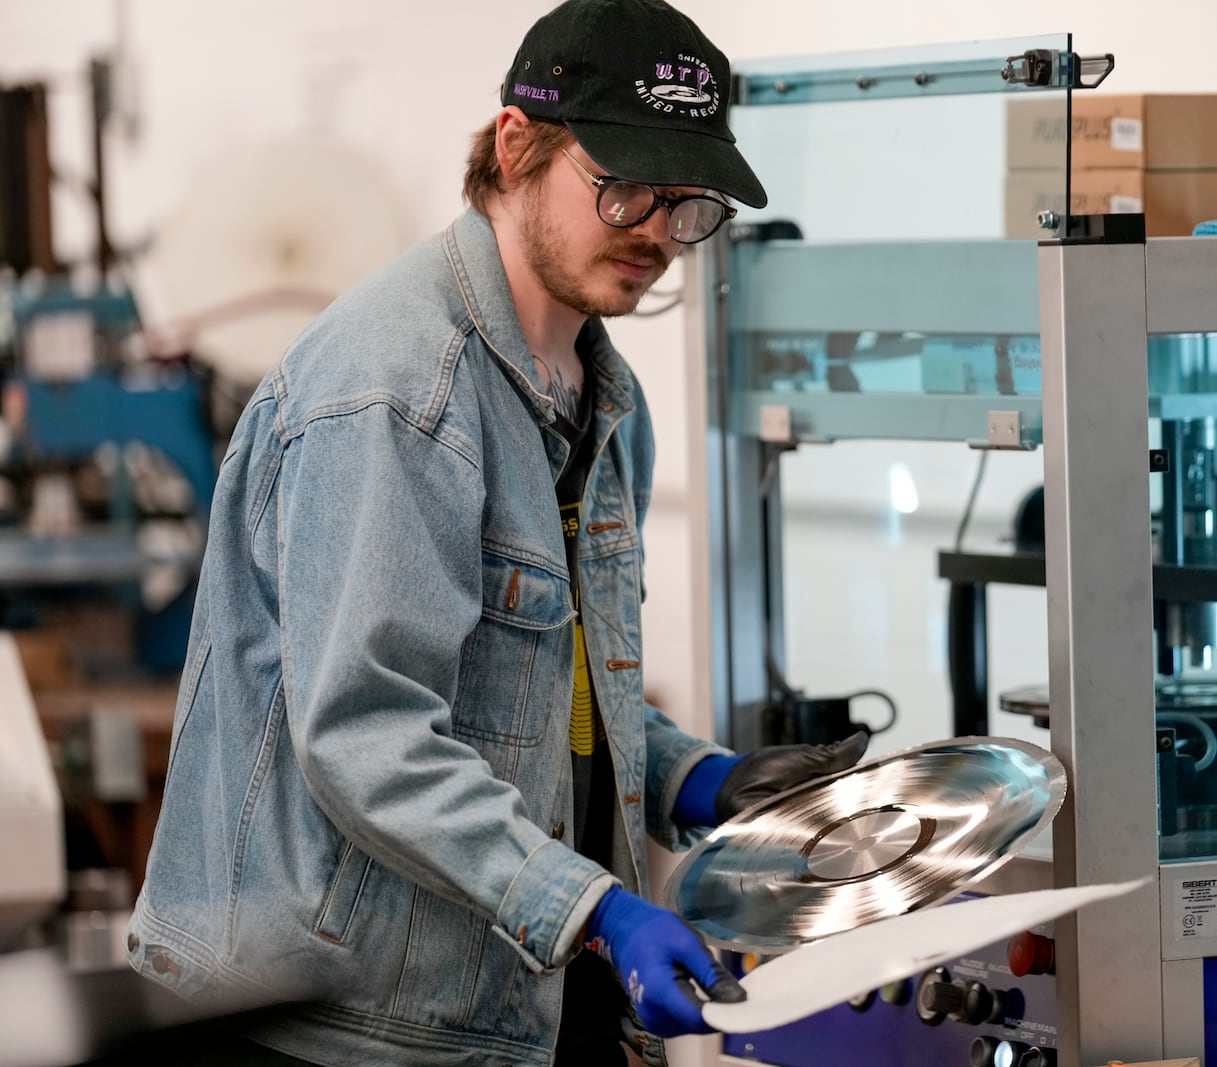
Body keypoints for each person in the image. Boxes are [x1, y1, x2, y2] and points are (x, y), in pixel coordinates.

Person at [124, 2, 868, 1064]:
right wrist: (602, 909)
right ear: (516, 147)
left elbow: (544, 692)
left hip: (516, 994)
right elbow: (366, 734)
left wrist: (699, 781)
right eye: (624, 189)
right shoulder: (394, 392)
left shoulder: (606, 400)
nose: (657, 230)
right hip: (341, 1025)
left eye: (686, 203)